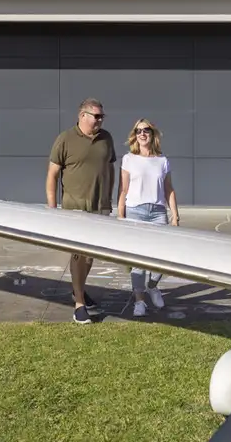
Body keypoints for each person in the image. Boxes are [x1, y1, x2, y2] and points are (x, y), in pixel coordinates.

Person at [46, 98, 117, 325]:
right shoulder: (65, 139)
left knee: (89, 255)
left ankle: (79, 290)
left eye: (102, 116)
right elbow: (52, 175)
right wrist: (52, 208)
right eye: (97, 116)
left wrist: (109, 200)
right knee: (78, 254)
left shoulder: (106, 138)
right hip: (74, 207)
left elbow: (110, 168)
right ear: (82, 115)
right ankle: (79, 304)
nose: (100, 120)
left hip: (99, 206)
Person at [117, 118, 179, 317]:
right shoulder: (129, 159)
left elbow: (169, 189)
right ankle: (139, 301)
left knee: (162, 257)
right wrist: (120, 215)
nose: (142, 134)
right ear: (134, 136)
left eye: (146, 130)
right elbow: (123, 189)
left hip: (158, 212)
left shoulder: (162, 160)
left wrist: (175, 215)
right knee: (138, 260)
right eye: (138, 131)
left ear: (153, 134)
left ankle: (152, 286)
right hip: (135, 210)